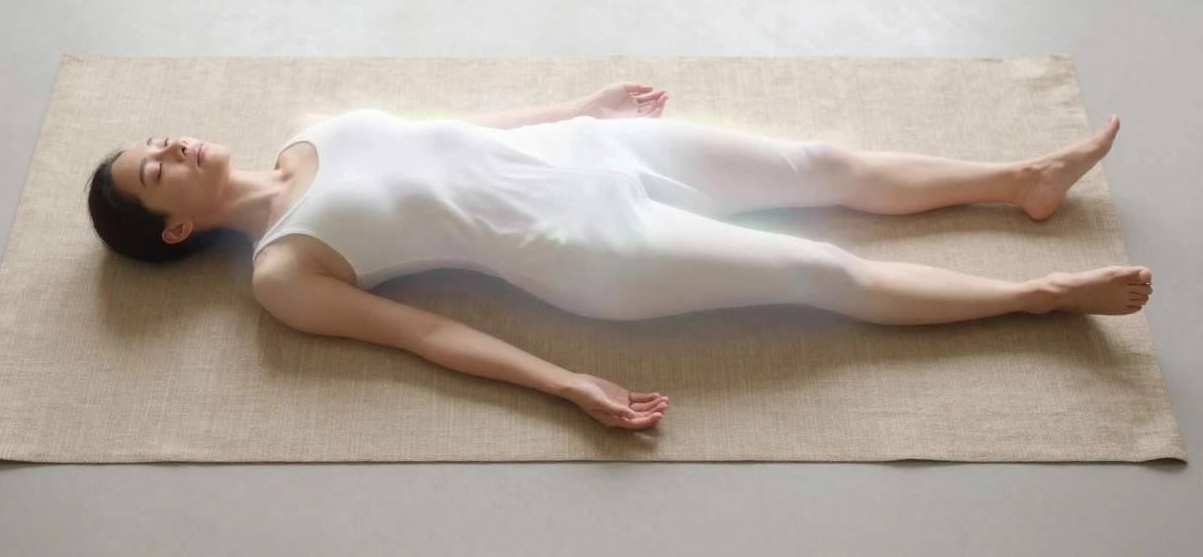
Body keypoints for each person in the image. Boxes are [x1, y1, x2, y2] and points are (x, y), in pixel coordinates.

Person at [86, 83, 1152, 431]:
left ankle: (1020, 179)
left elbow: (459, 134)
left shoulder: (303, 133)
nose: (172, 146)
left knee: (821, 161)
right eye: (155, 171)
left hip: (590, 149)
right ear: (174, 228)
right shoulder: (282, 272)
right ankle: (1041, 296)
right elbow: (423, 333)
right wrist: (560, 382)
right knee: (820, 276)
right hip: (592, 249)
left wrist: (578, 107)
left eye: (157, 141)